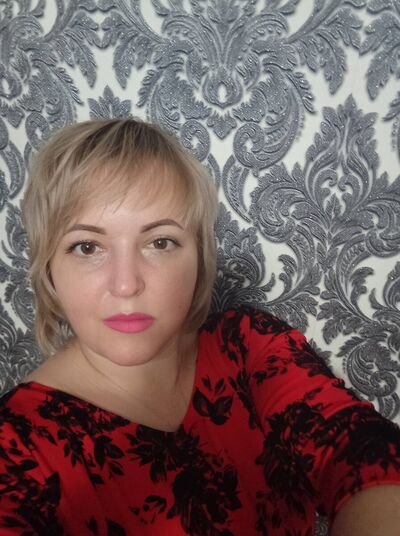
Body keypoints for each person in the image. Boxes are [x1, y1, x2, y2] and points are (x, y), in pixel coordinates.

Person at [0, 118, 399, 536]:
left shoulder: (247, 346)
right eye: (87, 247)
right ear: (49, 269)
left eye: (160, 242)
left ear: (199, 257)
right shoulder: (17, 444)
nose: (126, 285)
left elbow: (363, 454)